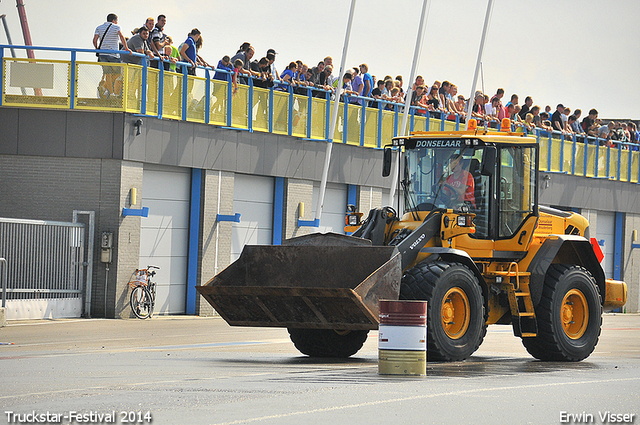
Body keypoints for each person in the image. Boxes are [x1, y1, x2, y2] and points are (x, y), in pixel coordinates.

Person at [93, 13, 130, 98]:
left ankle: (108, 90)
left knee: (108, 74)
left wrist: (97, 48)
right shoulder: (116, 27)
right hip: (113, 54)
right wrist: (126, 47)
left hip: (102, 54)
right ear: (114, 20)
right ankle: (109, 90)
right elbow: (121, 36)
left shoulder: (99, 27)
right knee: (117, 73)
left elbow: (95, 40)